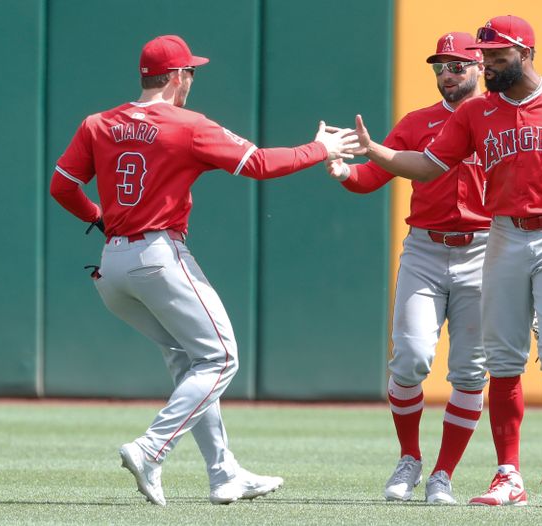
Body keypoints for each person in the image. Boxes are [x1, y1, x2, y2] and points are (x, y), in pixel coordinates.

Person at [49, 34, 357, 506]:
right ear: (176, 77)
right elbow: (259, 164)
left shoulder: (98, 123)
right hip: (158, 256)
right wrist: (318, 148)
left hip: (112, 265)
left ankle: (223, 474)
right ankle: (151, 449)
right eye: (190, 71)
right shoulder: (186, 125)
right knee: (221, 359)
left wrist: (98, 216)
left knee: (189, 359)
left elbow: (62, 187)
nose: (192, 79)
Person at [345, 15, 542, 507]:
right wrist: (377, 152)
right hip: (501, 234)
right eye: (487, 56)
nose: (489, 64)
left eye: (498, 57)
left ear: (526, 53)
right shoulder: (476, 113)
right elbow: (428, 166)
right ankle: (507, 475)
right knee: (502, 361)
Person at [326, 32, 487, 505]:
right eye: (440, 65)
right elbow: (371, 176)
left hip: (484, 250)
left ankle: (444, 474)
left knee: (470, 371)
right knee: (412, 357)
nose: (447, 74)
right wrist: (345, 173)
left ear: (480, 67)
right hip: (426, 250)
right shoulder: (418, 122)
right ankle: (410, 457)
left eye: (457, 65)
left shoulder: (499, 123)